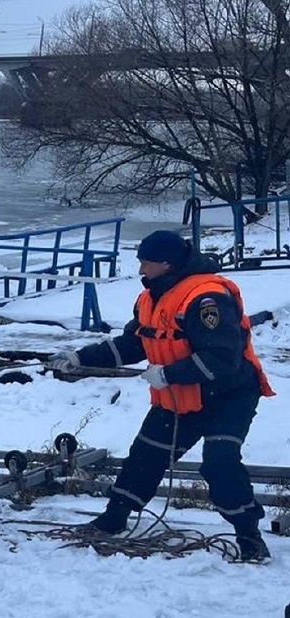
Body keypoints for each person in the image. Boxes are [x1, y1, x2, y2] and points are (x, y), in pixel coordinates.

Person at [48, 230, 275, 560]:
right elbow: (134, 343)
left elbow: (222, 358)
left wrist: (168, 374)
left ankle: (249, 536)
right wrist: (80, 358)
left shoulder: (206, 298)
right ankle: (114, 519)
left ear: (167, 265)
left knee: (220, 465)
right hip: (180, 394)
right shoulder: (150, 298)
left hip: (227, 396)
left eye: (146, 263)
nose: (141, 271)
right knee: (145, 455)